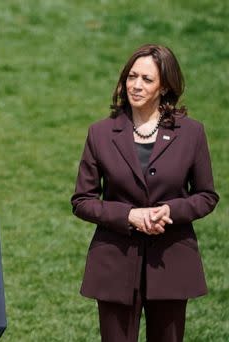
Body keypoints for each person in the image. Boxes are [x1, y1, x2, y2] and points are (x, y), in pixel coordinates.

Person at [71, 44, 219, 341]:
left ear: (165, 87)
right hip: (114, 263)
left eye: (147, 79)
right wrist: (129, 215)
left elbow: (206, 195)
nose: (136, 85)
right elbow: (82, 201)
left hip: (171, 262)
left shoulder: (192, 133)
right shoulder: (100, 133)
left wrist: (172, 211)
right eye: (131, 76)